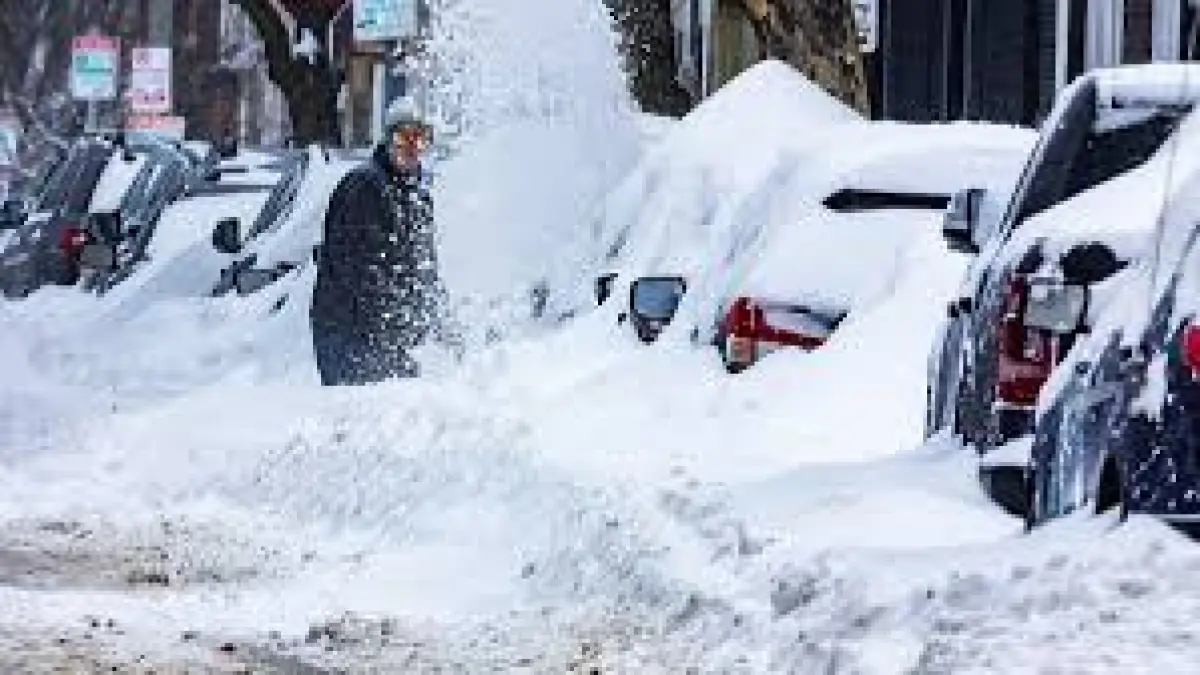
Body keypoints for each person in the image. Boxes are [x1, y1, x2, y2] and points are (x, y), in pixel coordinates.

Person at [310, 98, 447, 386]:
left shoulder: (418, 197)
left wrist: (440, 322)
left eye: (420, 139)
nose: (411, 147)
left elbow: (425, 268)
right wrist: (398, 325)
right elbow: (358, 270)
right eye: (402, 138)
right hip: (349, 335)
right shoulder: (364, 187)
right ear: (387, 140)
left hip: (387, 336)